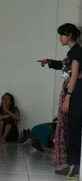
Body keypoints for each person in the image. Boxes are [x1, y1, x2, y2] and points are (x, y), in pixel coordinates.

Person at [38, 23, 82, 177]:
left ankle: (73, 163)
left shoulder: (76, 51)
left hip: (76, 94)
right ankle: (71, 161)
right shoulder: (73, 52)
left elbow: (74, 75)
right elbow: (64, 65)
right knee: (71, 127)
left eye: (61, 35)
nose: (60, 38)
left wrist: (68, 97)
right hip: (74, 93)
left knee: (75, 127)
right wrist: (49, 61)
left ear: (69, 35)